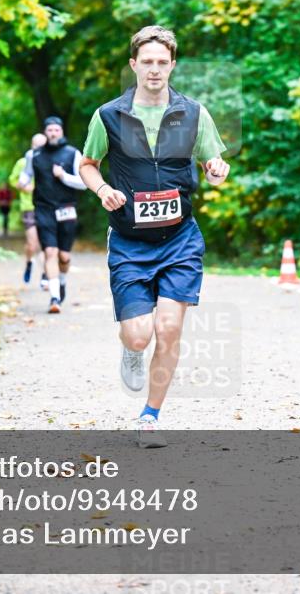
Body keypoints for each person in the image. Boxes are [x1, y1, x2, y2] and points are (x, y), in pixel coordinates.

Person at [78, 25, 230, 448]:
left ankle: (150, 416)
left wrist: (217, 170)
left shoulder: (194, 113)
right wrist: (103, 188)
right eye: (147, 62)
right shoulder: (108, 115)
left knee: (168, 328)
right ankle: (130, 349)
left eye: (162, 62)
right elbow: (88, 163)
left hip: (180, 239)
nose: (155, 70)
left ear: (173, 65)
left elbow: (213, 162)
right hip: (129, 241)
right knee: (139, 334)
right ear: (133, 65)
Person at [25, 116, 87, 313]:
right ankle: (54, 298)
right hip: (43, 209)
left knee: (64, 256)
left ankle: (61, 282)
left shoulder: (72, 153)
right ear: (45, 132)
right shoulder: (34, 156)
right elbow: (26, 175)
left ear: (61, 132)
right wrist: (23, 182)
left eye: (56, 130)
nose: (53, 133)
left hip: (66, 208)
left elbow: (84, 183)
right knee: (50, 252)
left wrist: (63, 176)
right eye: (49, 130)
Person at [11, 133, 45, 284]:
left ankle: (45, 274)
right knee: (33, 243)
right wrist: (23, 186)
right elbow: (13, 180)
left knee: (46, 243)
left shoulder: (50, 161)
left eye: (42, 145)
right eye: (36, 145)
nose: (39, 148)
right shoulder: (22, 162)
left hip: (46, 206)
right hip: (28, 206)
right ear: (32, 146)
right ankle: (29, 262)